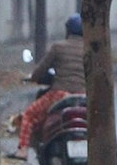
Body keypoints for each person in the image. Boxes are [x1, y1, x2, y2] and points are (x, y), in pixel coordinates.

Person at [11, 14, 85, 156]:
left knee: (29, 115)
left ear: (68, 30)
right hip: (83, 97)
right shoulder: (90, 50)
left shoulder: (58, 47)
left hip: (60, 95)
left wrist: (32, 78)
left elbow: (41, 69)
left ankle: (22, 151)